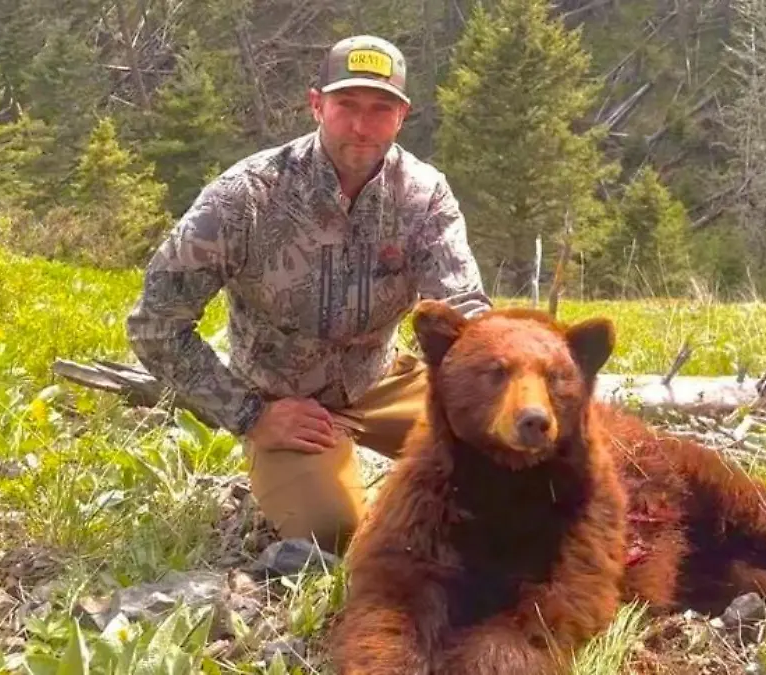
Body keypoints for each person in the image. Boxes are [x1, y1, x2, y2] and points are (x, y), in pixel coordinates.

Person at [125, 35, 491, 554]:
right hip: (282, 403)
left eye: (380, 109)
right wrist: (251, 414)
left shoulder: (424, 195)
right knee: (335, 533)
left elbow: (464, 311)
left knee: (507, 445)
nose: (362, 126)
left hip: (378, 381)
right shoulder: (244, 198)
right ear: (316, 103)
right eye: (346, 106)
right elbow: (155, 324)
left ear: (402, 115)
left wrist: (511, 367)